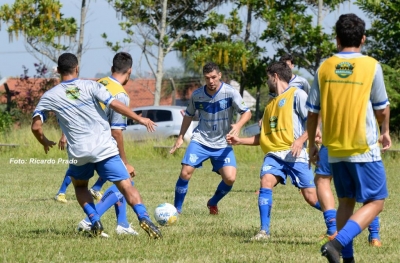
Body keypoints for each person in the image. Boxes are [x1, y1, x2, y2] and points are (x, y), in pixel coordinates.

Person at [31, 52, 162, 239]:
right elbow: (115, 104)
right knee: (126, 185)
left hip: (79, 152)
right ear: (77, 68)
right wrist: (139, 118)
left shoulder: (50, 96)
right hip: (105, 148)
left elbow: (36, 126)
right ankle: (144, 217)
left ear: (58, 71)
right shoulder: (91, 85)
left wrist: (43, 141)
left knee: (80, 187)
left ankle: (94, 220)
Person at [306, 13, 390, 263]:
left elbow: (312, 113)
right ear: (363, 39)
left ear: (337, 39)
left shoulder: (324, 67)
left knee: (346, 202)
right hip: (363, 147)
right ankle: (338, 243)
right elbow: (381, 108)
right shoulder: (371, 65)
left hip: (333, 149)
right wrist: (385, 130)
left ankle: (347, 259)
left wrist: (313, 144)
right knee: (376, 201)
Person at [226, 61, 322, 240]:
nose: (267, 82)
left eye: (268, 78)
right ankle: (264, 231)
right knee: (266, 182)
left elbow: (313, 121)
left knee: (311, 197)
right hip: (274, 156)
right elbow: (264, 137)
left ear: (275, 77)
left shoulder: (297, 95)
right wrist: (240, 141)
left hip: (295, 154)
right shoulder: (270, 106)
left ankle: (339, 218)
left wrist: (301, 141)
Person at [170, 62, 251, 215]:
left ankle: (212, 202)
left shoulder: (230, 92)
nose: (211, 81)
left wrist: (239, 125)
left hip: (223, 142)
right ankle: (177, 210)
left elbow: (247, 112)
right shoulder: (197, 95)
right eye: (207, 78)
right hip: (201, 140)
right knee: (185, 172)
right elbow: (188, 115)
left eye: (214, 77)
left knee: (230, 178)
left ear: (219, 75)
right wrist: (180, 137)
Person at [54, 52, 137, 204]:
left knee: (79, 164)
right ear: (129, 71)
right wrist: (125, 163)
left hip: (81, 134)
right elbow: (116, 132)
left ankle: (89, 189)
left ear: (112, 67)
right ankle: (107, 219)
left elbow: (75, 108)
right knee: (113, 166)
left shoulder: (100, 82)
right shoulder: (121, 95)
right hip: (98, 137)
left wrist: (65, 134)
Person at [315, 142, 382, 247]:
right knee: (370, 193)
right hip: (362, 142)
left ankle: (334, 231)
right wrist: (385, 130)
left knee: (325, 181)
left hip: (334, 142)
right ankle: (374, 236)